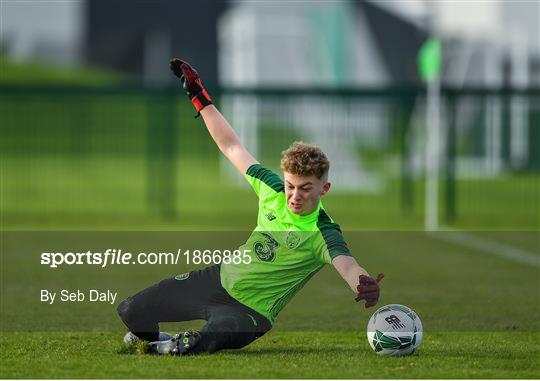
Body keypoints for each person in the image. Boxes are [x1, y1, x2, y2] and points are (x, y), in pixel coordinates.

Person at [117, 58, 384, 355]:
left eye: (306, 189)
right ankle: (161, 339)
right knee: (131, 311)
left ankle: (168, 347)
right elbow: (231, 146)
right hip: (216, 281)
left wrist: (362, 282)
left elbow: (346, 264)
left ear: (324, 188)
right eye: (290, 186)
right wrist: (198, 96)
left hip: (250, 314)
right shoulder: (271, 188)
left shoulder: (323, 231)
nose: (295, 195)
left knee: (207, 340)